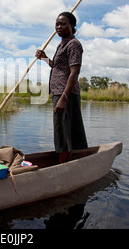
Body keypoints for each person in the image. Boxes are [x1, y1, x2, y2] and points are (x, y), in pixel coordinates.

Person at [36, 12, 88, 163]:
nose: (58, 27)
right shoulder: (62, 44)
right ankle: (67, 159)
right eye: (57, 24)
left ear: (72, 26)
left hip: (66, 94)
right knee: (61, 129)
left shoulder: (73, 44)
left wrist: (64, 98)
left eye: (63, 24)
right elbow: (57, 67)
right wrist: (44, 58)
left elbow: (74, 72)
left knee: (65, 130)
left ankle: (66, 163)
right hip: (59, 93)